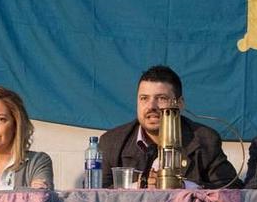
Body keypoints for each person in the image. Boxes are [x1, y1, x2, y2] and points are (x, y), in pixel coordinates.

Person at [99, 65, 239, 189]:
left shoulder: (205, 140)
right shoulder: (112, 142)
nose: (151, 106)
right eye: (144, 98)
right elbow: (93, 196)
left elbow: (232, 189)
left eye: (161, 98)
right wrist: (139, 187)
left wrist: (185, 187)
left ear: (180, 104)